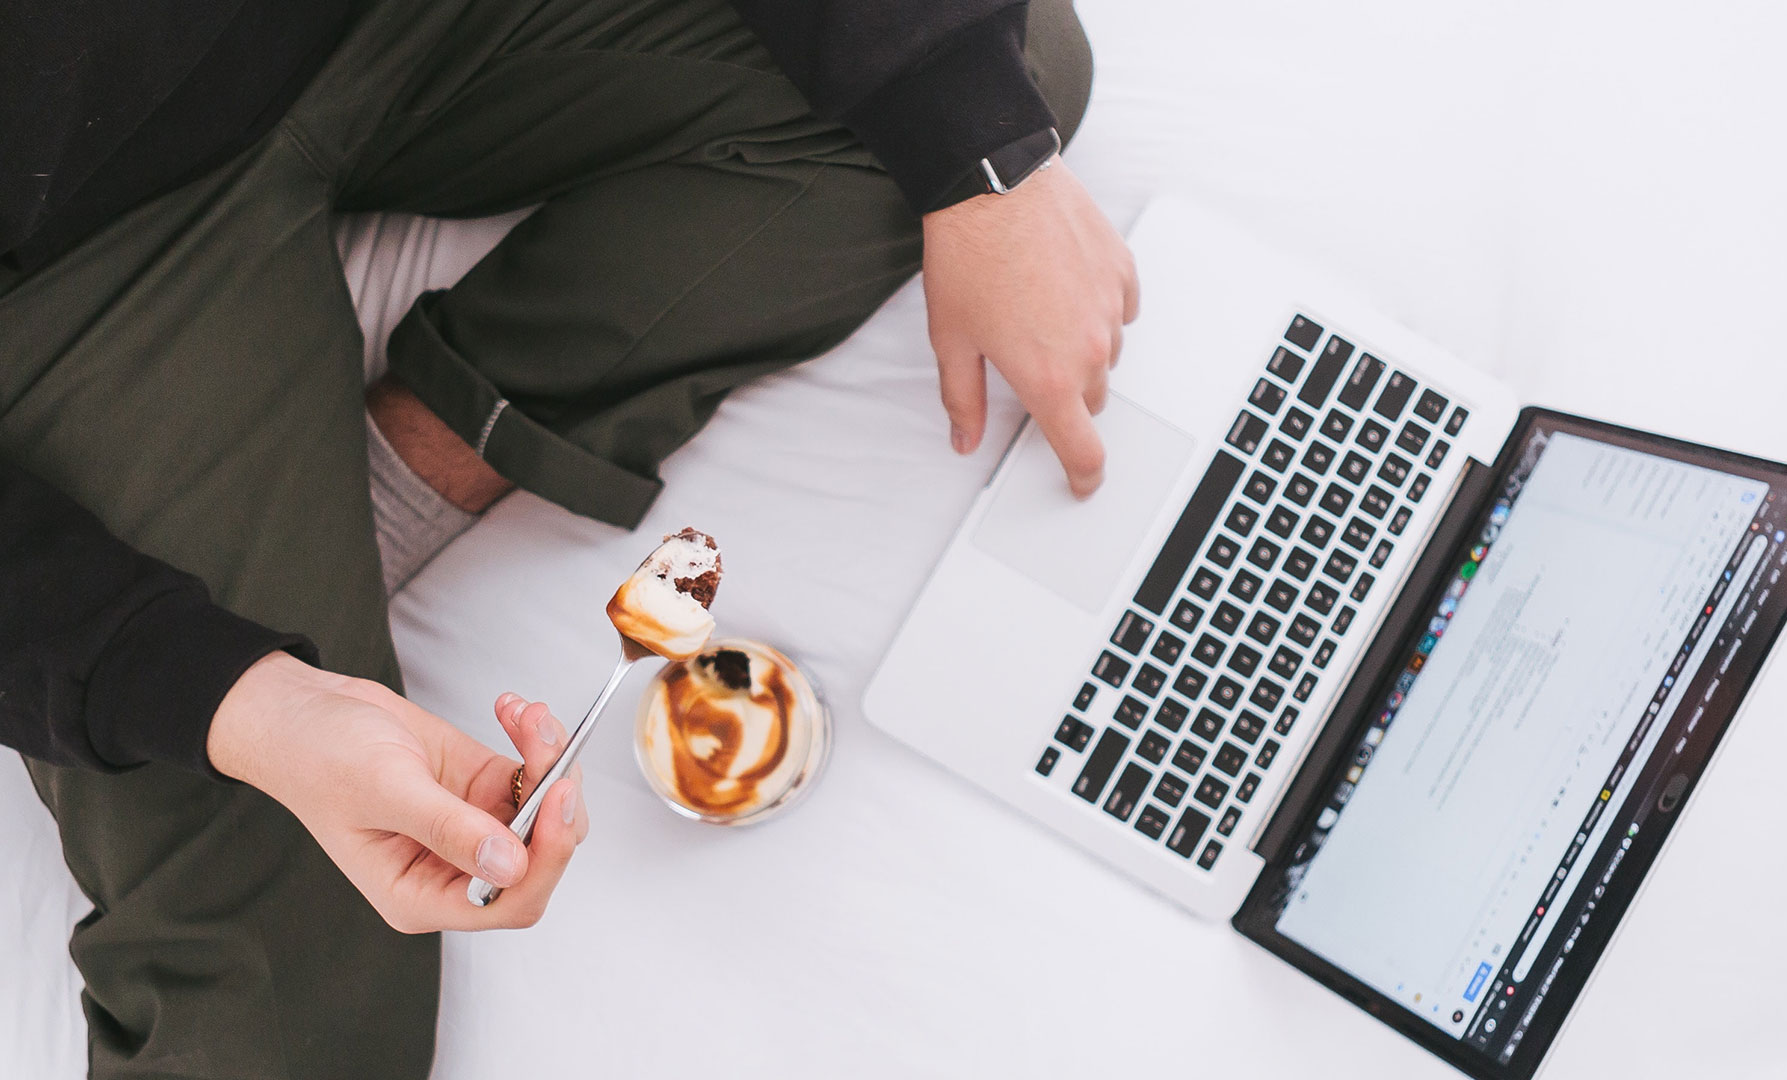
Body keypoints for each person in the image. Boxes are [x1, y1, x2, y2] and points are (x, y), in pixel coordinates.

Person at [0, 0, 1137, 1075]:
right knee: (291, 1028)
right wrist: (228, 694)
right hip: (79, 262)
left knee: (995, 80)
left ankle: (398, 482)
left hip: (383, 29)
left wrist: (982, 158)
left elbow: (966, 107)